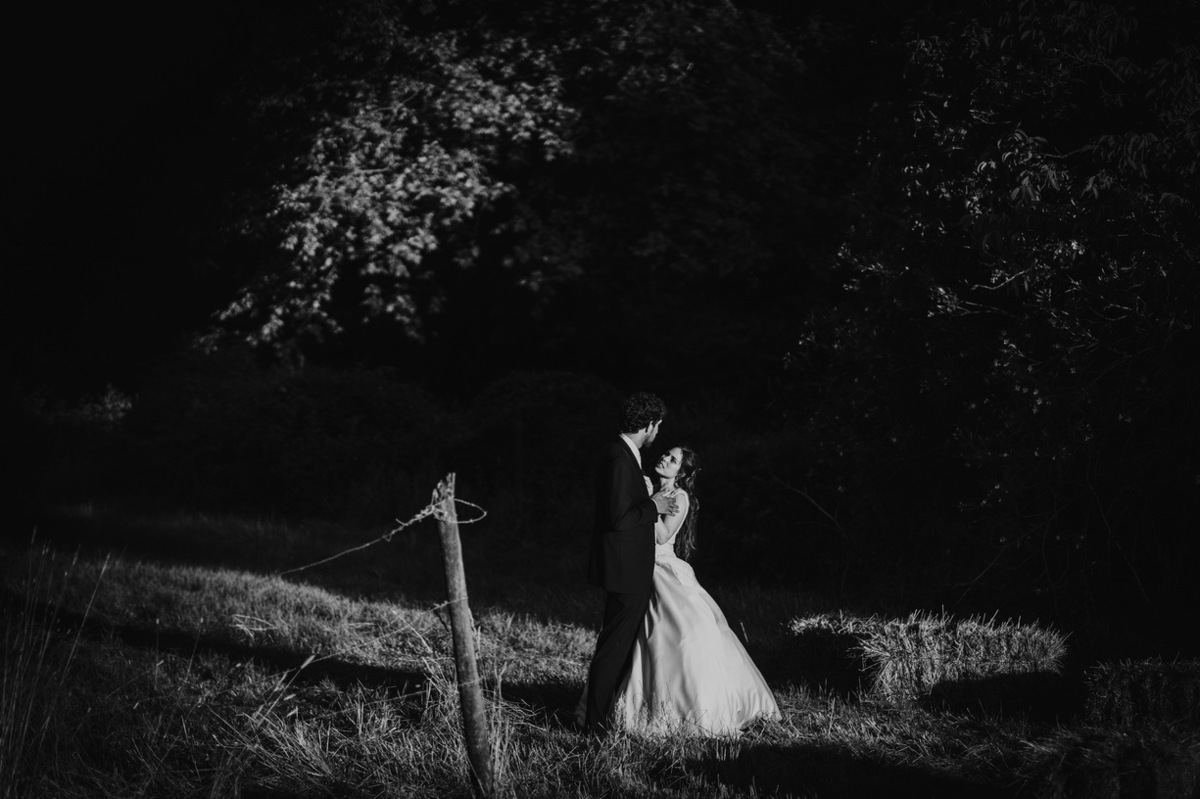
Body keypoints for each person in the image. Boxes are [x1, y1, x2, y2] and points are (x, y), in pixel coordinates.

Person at [579, 444, 781, 736]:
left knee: (677, 637)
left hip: (662, 568)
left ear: (681, 473)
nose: (664, 458)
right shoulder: (647, 486)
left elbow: (662, 536)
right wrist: (648, 499)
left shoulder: (680, 497)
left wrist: (649, 503)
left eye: (673, 460)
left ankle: (685, 708)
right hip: (640, 567)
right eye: (665, 454)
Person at [582, 391, 679, 735]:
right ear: (648, 424)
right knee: (614, 647)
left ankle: (606, 713)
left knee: (620, 646)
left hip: (629, 567)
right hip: (625, 570)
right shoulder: (620, 458)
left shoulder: (624, 454)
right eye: (658, 426)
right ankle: (595, 723)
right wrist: (655, 506)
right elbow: (619, 518)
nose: (658, 433)